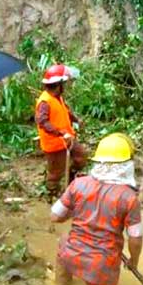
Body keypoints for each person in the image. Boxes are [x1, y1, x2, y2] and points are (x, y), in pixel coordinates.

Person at [51, 133, 143, 285]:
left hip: (71, 253)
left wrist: (76, 210)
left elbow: (55, 216)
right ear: (126, 165)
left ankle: (62, 283)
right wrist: (133, 261)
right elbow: (135, 239)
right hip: (101, 264)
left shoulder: (78, 184)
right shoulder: (129, 198)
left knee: (63, 242)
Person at [35, 64, 87, 202]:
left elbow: (65, 111)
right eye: (64, 83)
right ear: (58, 85)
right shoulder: (44, 102)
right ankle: (51, 195)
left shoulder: (58, 97)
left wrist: (76, 119)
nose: (66, 86)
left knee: (81, 157)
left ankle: (70, 181)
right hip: (55, 143)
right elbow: (42, 121)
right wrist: (60, 132)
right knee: (55, 173)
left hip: (67, 138)